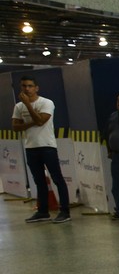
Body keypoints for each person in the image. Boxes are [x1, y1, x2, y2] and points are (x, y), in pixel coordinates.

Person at [12, 75, 71, 224]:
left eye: (30, 86)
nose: (27, 89)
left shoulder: (46, 103)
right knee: (39, 181)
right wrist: (31, 120)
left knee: (57, 179)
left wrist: (28, 106)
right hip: (31, 147)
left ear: (36, 88)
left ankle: (65, 211)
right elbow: (15, 127)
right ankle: (43, 211)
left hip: (47, 146)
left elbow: (40, 121)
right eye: (24, 86)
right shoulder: (18, 106)